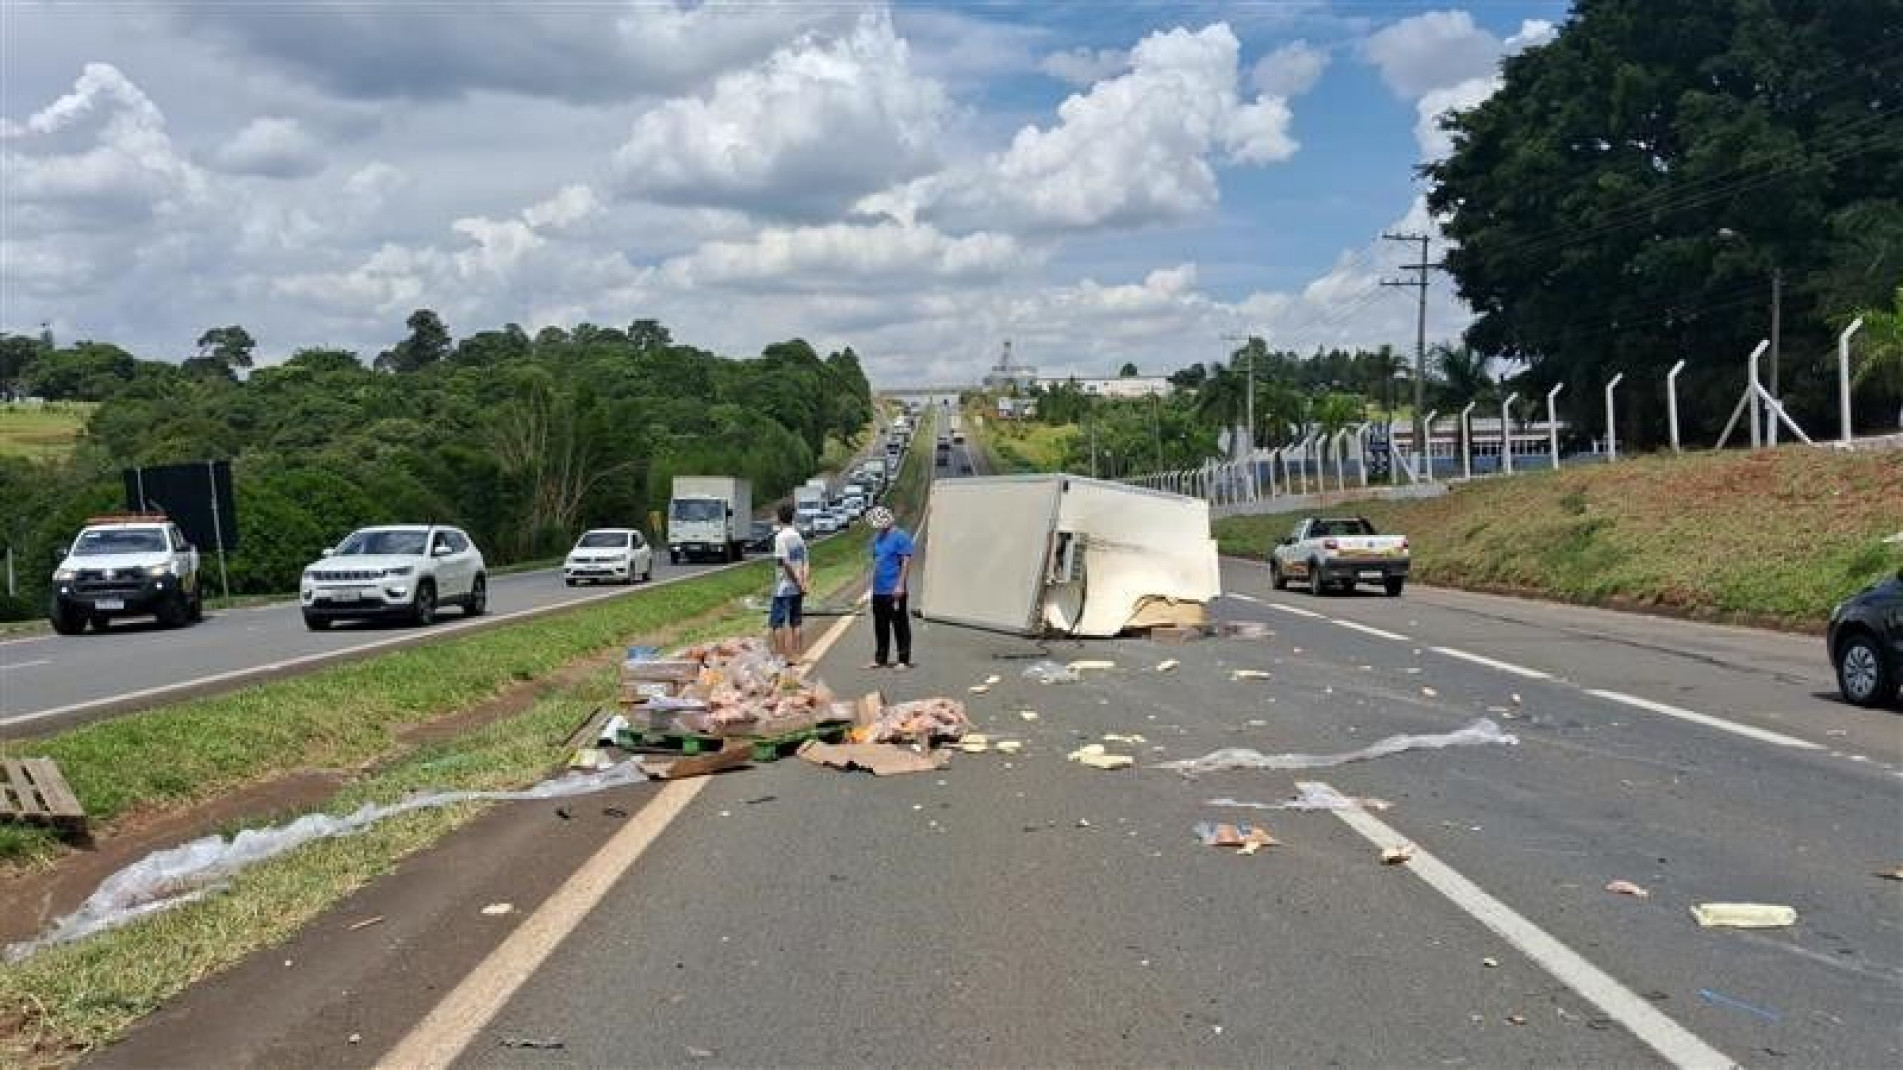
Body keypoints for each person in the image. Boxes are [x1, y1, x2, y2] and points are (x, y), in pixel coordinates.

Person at [863, 506, 914, 670]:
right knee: (880, 624)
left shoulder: (901, 537)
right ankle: (880, 658)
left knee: (899, 623)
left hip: (894, 589)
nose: (878, 527)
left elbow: (906, 562)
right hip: (879, 589)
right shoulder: (877, 538)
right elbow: (876, 561)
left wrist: (900, 585)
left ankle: (903, 659)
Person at [769, 501, 809, 663]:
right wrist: (803, 582)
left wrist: (797, 581)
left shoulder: (780, 538)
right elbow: (806, 562)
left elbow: (785, 564)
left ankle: (781, 656)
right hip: (798, 587)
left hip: (783, 587)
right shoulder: (798, 537)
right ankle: (798, 655)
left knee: (777, 622)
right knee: (796, 621)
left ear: (779, 517)